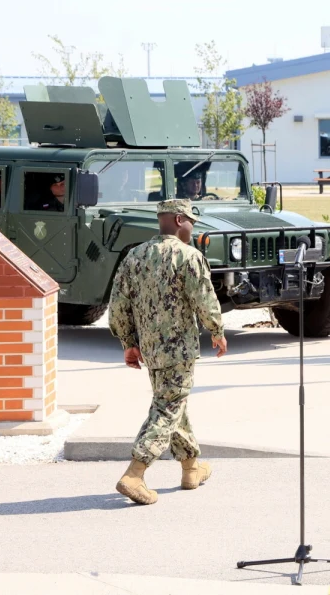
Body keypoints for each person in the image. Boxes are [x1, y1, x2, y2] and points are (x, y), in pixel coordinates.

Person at [108, 198, 227, 505]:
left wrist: (129, 343)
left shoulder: (134, 255)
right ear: (177, 220)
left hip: (151, 350)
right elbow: (205, 298)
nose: (192, 228)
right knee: (168, 408)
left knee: (174, 405)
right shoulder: (188, 256)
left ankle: (191, 468)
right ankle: (134, 474)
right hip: (180, 349)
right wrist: (217, 330)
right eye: (190, 221)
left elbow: (118, 305)